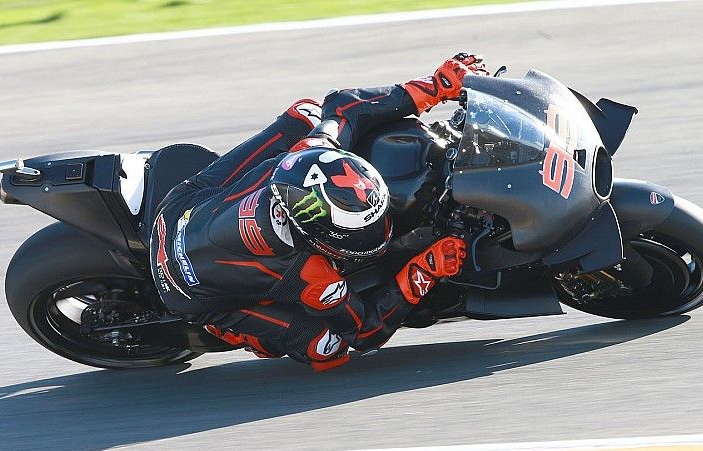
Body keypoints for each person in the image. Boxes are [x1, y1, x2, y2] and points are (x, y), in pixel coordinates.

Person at [150, 53, 489, 371]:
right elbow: (366, 333)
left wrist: (435, 86)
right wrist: (423, 270)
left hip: (180, 208)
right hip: (186, 291)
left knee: (306, 113)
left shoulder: (313, 149)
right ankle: (240, 333)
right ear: (317, 239)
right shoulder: (311, 275)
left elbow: (343, 107)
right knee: (326, 349)